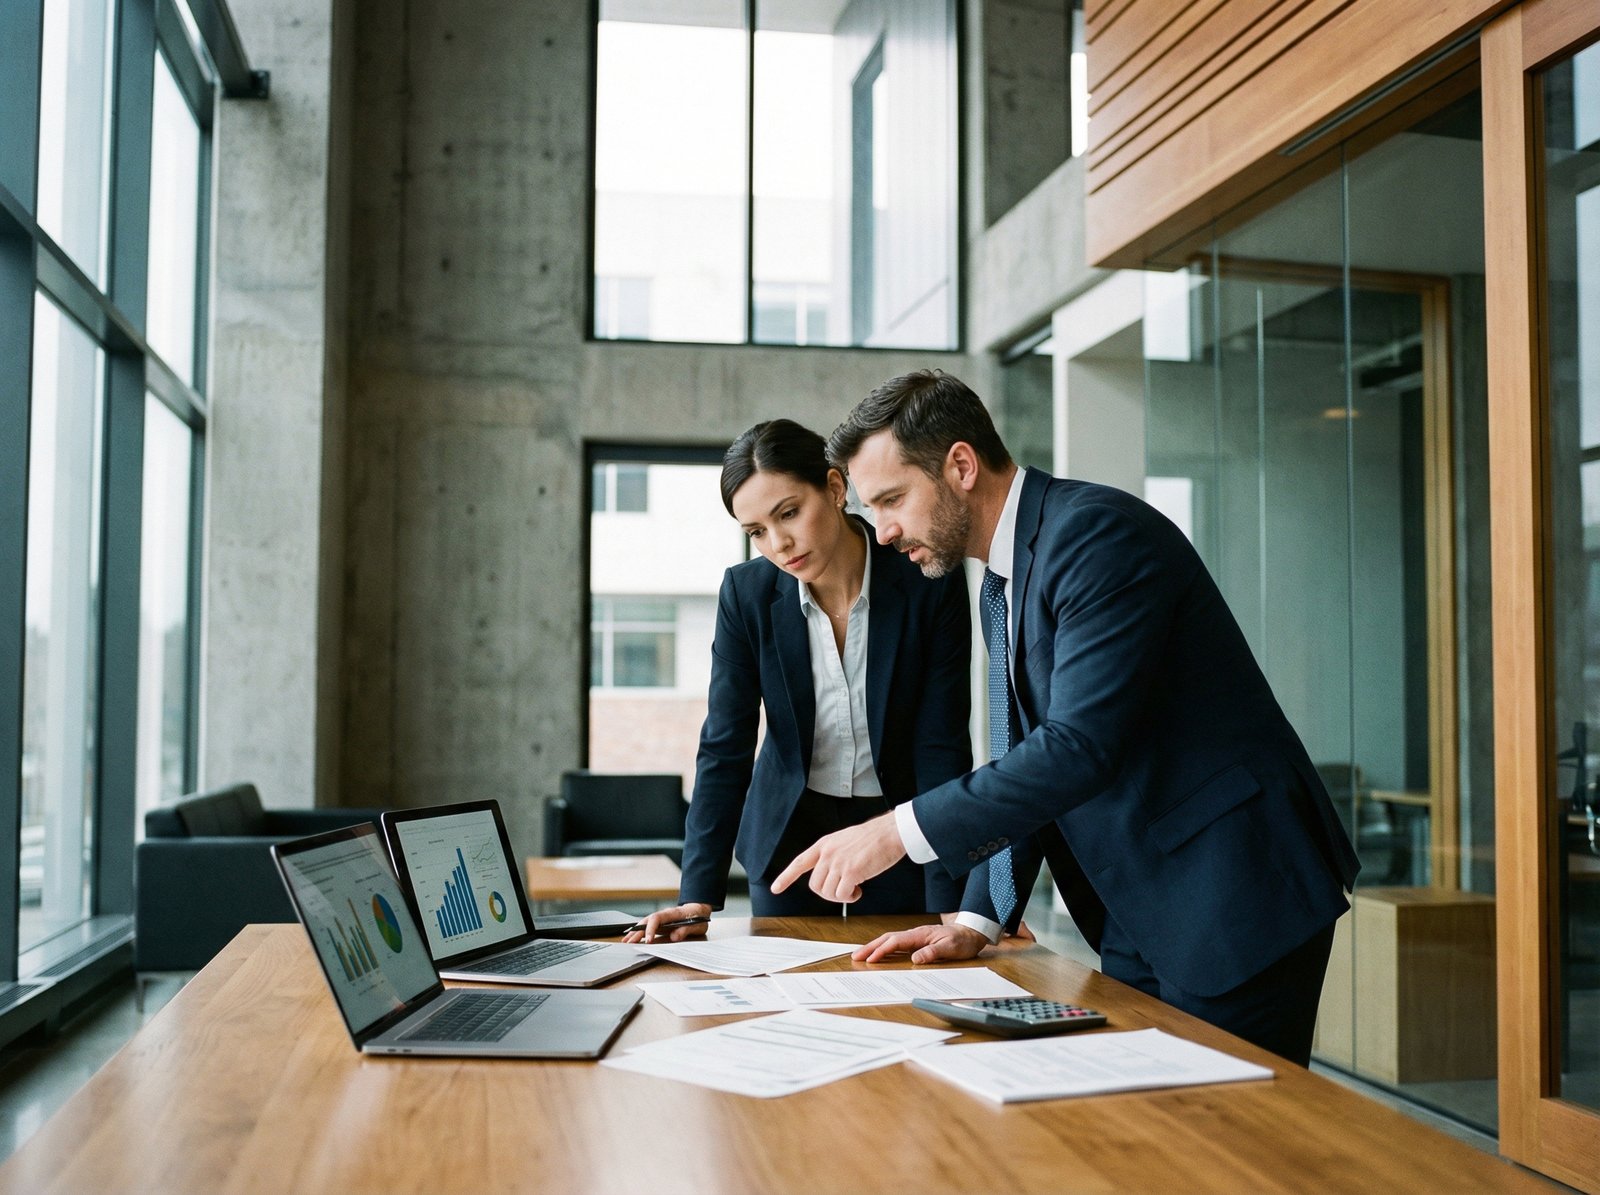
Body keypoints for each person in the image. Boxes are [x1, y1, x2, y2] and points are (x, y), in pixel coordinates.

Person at [771, 371, 1359, 1066]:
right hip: (1145, 907)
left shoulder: (1094, 536)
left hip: (1233, 889)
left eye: (894, 499)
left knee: (1239, 1149)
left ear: (961, 465)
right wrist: (974, 917)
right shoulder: (1002, 579)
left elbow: (1076, 749)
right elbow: (1031, 753)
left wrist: (894, 831)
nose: (886, 530)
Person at [624, 418, 972, 944]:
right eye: (757, 532)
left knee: (899, 992)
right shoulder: (747, 595)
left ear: (835, 489)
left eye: (789, 513)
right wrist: (696, 893)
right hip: (789, 834)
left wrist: (953, 897)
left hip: (896, 831)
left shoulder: (926, 580)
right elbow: (726, 743)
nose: (779, 544)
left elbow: (940, 741)